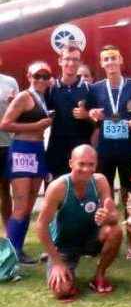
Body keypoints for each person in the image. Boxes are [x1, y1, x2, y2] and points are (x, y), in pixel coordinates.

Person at [86, 45, 131, 258]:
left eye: (114, 58)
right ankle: (101, 239)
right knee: (103, 195)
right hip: (105, 151)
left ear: (121, 60)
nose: (111, 62)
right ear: (102, 64)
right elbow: (89, 113)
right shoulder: (95, 89)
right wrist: (91, 113)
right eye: (106, 59)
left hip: (129, 149)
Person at [35, 145, 122, 300]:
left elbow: (115, 217)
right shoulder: (59, 187)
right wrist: (56, 262)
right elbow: (41, 225)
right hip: (64, 245)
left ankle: (99, 275)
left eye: (91, 164)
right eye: (81, 164)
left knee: (115, 231)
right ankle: (61, 266)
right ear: (71, 163)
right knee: (61, 291)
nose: (87, 169)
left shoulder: (100, 181)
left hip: (92, 238)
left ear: (96, 164)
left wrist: (107, 217)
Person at [0, 61, 52, 263]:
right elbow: (4, 124)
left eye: (45, 76)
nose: (41, 80)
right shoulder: (24, 96)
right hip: (22, 150)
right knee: (21, 206)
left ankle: (18, 250)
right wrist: (36, 125)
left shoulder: (43, 97)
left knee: (29, 205)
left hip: (38, 151)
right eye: (36, 76)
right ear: (28, 76)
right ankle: (9, 256)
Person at [45, 45, 93, 180]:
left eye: (75, 59)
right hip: (56, 151)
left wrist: (87, 115)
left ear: (80, 62)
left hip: (82, 151)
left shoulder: (89, 89)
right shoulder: (50, 88)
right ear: (60, 61)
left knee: (82, 195)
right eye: (67, 59)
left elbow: (99, 121)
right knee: (54, 195)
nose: (71, 63)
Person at [0, 55, 19, 229]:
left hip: (9, 144)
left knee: (7, 191)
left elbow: (20, 110)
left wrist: (14, 103)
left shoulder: (10, 82)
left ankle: (9, 233)